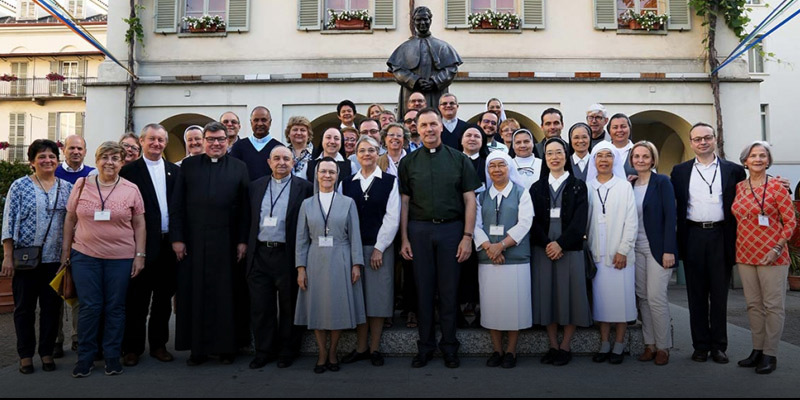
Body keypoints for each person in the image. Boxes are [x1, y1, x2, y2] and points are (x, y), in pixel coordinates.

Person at [399, 108, 481, 369]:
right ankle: (424, 347)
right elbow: (404, 202)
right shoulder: (408, 162)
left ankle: (449, 347)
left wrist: (467, 236)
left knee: (448, 291)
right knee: (423, 291)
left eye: (433, 124)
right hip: (419, 231)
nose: (429, 129)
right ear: (417, 129)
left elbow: (470, 200)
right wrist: (404, 238)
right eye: (424, 125)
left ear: (441, 127)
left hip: (451, 231)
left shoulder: (459, 159)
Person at [62, 141, 146, 378]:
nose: (110, 162)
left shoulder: (131, 189)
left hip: (121, 258)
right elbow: (70, 219)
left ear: (122, 162)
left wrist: (140, 255)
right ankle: (86, 358)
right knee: (90, 306)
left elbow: (139, 224)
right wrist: (65, 252)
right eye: (105, 157)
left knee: (115, 307)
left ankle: (111, 356)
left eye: (115, 158)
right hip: (85, 256)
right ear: (97, 160)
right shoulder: (80, 185)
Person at [172, 121, 251, 366]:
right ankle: (199, 350)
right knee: (196, 295)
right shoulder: (188, 165)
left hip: (227, 242)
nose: (216, 144)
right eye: (211, 139)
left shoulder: (239, 167)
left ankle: (227, 348)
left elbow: (246, 208)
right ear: (203, 141)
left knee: (226, 295)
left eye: (220, 140)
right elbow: (177, 204)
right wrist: (177, 238)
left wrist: (242, 241)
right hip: (194, 241)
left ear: (228, 141)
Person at [670, 122, 746, 364]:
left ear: (714, 140)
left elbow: (750, 191)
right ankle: (700, 346)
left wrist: (780, 185)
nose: (702, 142)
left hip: (721, 235)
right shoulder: (679, 171)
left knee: (719, 295)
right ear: (691, 143)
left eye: (707, 138)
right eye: (697, 139)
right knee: (696, 295)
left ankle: (719, 346)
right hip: (692, 235)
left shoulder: (734, 171)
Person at [2, 139, 72, 374]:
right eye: (41, 156)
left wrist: (68, 254)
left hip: (55, 260)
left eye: (52, 156)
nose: (47, 160)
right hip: (25, 260)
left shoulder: (66, 188)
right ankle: (24, 354)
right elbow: (9, 222)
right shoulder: (19, 186)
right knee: (24, 309)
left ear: (57, 160)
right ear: (32, 162)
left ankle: (46, 352)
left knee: (52, 309)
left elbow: (72, 223)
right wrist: (7, 256)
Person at [119, 124, 182, 367]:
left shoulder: (173, 171)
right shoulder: (130, 171)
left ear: (165, 143)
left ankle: (158, 345)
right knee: (136, 299)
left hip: (168, 244)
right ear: (142, 142)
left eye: (161, 140)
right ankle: (132, 348)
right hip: (141, 245)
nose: (156, 143)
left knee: (163, 299)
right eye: (152, 139)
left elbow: (177, 208)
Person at [295, 158, 366, 373]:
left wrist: (356, 264)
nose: (327, 175)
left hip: (341, 257)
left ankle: (333, 351)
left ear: (337, 176)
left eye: (331, 172)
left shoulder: (348, 202)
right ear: (316, 175)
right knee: (317, 307)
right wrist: (300, 268)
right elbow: (301, 238)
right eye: (323, 171)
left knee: (337, 307)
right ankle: (322, 353)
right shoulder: (307, 204)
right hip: (315, 259)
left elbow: (355, 235)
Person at [246, 146, 313, 370]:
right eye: (277, 158)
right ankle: (264, 351)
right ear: (268, 162)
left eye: (286, 158)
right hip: (260, 253)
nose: (281, 162)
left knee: (289, 305)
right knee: (261, 306)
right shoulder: (255, 187)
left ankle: (287, 351)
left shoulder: (305, 188)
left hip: (288, 254)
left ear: (294, 163)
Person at [732, 141, 796, 374]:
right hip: (745, 253)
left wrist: (777, 248)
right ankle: (757, 349)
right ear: (745, 161)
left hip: (773, 255)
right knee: (753, 305)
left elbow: (790, 222)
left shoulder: (778, 187)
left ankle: (771, 353)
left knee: (773, 306)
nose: (758, 159)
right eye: (753, 156)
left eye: (762, 155)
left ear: (768, 160)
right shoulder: (740, 187)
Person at [530, 137, 592, 367]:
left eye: (558, 152)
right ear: (544, 158)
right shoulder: (536, 187)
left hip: (569, 248)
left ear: (566, 156)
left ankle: (565, 345)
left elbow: (579, 221)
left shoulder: (578, 185)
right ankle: (552, 345)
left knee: (570, 296)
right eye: (549, 153)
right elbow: (532, 220)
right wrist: (547, 243)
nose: (554, 157)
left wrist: (561, 244)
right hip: (543, 248)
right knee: (548, 295)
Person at [340, 136, 400, 367]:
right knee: (359, 299)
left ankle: (374, 348)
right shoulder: (346, 183)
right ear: (356, 154)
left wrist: (379, 247)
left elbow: (392, 216)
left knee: (378, 299)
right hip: (352, 249)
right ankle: (361, 347)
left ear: (378, 153)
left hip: (379, 249)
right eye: (362, 150)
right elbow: (341, 216)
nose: (367, 154)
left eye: (372, 150)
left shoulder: (389, 181)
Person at [474, 151, 533, 369]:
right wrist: (489, 247)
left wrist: (501, 246)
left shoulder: (521, 193)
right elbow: (475, 225)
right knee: (492, 306)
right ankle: (497, 349)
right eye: (492, 166)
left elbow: (525, 223)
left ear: (509, 168)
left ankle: (511, 351)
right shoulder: (481, 196)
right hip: (488, 258)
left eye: (501, 165)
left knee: (513, 306)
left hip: (515, 258)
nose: (497, 170)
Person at [586, 141, 638, 365]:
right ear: (594, 161)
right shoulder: (587, 187)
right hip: (596, 254)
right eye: (600, 156)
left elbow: (632, 221)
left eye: (609, 156)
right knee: (602, 302)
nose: (604, 160)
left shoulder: (624, 187)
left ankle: (619, 344)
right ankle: (605, 343)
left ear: (615, 160)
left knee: (622, 301)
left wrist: (623, 250)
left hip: (620, 255)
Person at [629, 141, 678, 366]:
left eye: (645, 156)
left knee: (657, 297)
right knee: (643, 298)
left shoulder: (662, 182)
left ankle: (663, 346)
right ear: (631, 160)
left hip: (657, 248)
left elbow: (671, 217)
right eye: (636, 156)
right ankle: (649, 344)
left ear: (653, 159)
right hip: (635, 248)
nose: (640, 160)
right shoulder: (630, 184)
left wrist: (669, 249)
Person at [52, 134, 94, 357]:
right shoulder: (54, 172)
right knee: (57, 292)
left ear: (85, 151)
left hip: (82, 242)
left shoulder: (93, 175)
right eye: (71, 148)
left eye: (80, 148)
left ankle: (77, 337)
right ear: (64, 151)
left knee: (77, 293)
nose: (76, 152)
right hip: (53, 241)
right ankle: (57, 339)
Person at [387, 6, 462, 118]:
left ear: (430, 20)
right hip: (411, 92)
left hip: (436, 92)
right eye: (418, 20)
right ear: (413, 22)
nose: (422, 23)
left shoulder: (443, 47)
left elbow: (451, 69)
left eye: (425, 19)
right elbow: (397, 70)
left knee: (437, 120)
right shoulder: (404, 48)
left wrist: (435, 81)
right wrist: (414, 81)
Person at [230, 106, 282, 182]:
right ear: (251, 122)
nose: (260, 123)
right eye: (256, 120)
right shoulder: (238, 147)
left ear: (270, 122)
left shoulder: (278, 148)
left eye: (264, 120)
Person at [608, 113, 637, 181]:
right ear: (609, 130)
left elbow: (651, 178)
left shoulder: (639, 151)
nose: (619, 130)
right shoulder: (602, 151)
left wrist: (640, 179)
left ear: (629, 128)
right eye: (615, 127)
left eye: (623, 126)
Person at [461, 125, 490, 190]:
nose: (472, 139)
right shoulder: (452, 161)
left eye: (477, 136)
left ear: (482, 141)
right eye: (468, 135)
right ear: (461, 140)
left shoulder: (488, 163)